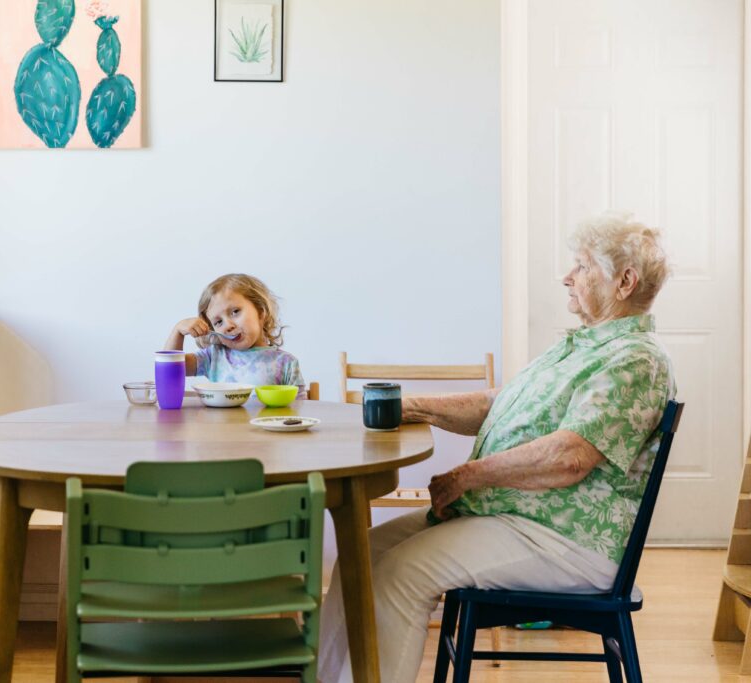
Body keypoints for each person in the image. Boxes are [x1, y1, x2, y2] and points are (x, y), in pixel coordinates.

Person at [319, 211, 677, 682]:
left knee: (401, 575)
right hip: (518, 517)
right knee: (360, 554)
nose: (567, 277)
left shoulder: (635, 359)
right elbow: (498, 404)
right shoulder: (582, 346)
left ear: (624, 282)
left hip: (566, 540)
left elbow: (572, 455)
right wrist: (414, 406)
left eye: (583, 266)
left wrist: (467, 476)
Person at [164, 273, 305, 392]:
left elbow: (298, 411)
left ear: (261, 312)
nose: (228, 326)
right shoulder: (214, 357)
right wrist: (177, 331)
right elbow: (169, 371)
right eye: (218, 322)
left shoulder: (286, 363)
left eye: (235, 312)